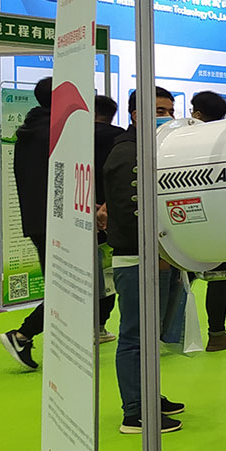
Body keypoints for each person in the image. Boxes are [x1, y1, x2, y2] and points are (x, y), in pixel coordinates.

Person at [103, 86, 185, 433]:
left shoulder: (153, 150)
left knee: (150, 336)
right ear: (137, 115)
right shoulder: (127, 153)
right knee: (135, 337)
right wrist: (157, 251)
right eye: (159, 111)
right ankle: (135, 412)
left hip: (157, 257)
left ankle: (148, 395)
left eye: (170, 111)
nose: (167, 117)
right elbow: (128, 212)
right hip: (138, 259)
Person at [0, 77, 52, 369]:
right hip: (56, 222)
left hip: (38, 220)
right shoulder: (52, 132)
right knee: (70, 287)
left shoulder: (31, 130)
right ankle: (22, 334)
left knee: (66, 285)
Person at [189, 91, 226, 352]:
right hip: (218, 222)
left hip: (184, 217)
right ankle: (217, 334)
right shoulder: (225, 142)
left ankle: (163, 332)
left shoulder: (185, 141)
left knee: (178, 278)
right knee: (218, 277)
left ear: (197, 113)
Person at [94, 94, 125, 343]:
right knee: (107, 270)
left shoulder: (76, 138)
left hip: (79, 210)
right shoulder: (120, 138)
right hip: (110, 211)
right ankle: (100, 326)